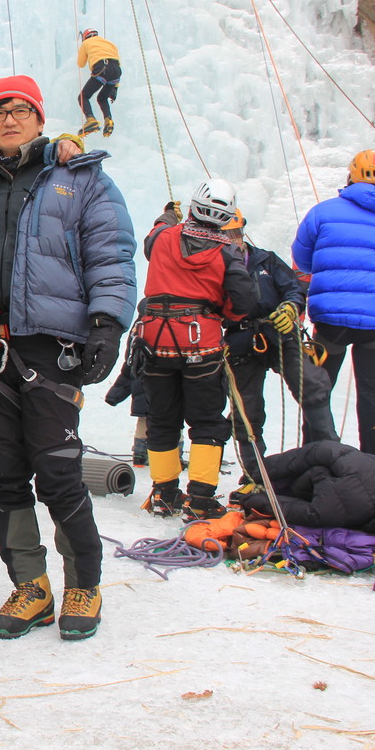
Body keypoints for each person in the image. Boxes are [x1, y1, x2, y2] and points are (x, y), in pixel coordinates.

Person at [0, 74, 137, 642]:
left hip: (50, 344)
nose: (9, 120)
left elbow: (111, 251)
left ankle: (84, 582)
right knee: (4, 473)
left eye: (21, 110)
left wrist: (106, 324)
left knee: (56, 468)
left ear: (39, 118)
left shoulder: (78, 176)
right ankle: (31, 584)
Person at [137, 180, 256, 521]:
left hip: (156, 341)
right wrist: (223, 315)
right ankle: (200, 498)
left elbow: (154, 234)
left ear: (193, 207)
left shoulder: (163, 237)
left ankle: (164, 492)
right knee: (206, 422)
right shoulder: (228, 253)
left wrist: (168, 215)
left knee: (162, 419)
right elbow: (243, 303)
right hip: (200, 345)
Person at [292, 150, 375, 461]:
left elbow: (302, 261)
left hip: (331, 320)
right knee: (372, 397)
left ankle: (313, 459)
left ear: (351, 174)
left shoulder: (323, 212)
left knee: (319, 394)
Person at [221, 210, 338, 483]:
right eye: (227, 235)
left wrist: (290, 307)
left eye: (236, 233)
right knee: (246, 412)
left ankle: (332, 459)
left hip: (279, 333)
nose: (233, 240)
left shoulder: (267, 260)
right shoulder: (216, 267)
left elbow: (293, 288)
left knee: (311, 387)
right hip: (240, 339)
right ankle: (256, 476)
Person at [76, 29, 121, 137]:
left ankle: (91, 120)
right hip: (116, 71)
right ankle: (108, 120)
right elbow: (117, 60)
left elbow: (80, 64)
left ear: (85, 37)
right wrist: (115, 88)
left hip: (102, 68)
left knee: (83, 96)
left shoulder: (86, 43)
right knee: (102, 98)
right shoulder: (109, 43)